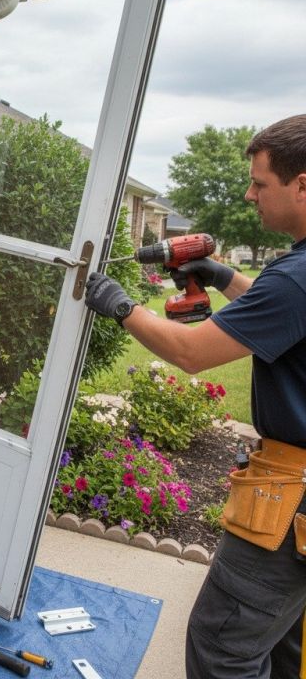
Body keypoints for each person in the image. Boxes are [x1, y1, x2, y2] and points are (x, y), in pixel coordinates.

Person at [84, 113, 306, 679]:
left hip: (292, 498)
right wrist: (223, 276)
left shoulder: (296, 278)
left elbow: (190, 353)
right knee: (286, 647)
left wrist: (120, 306)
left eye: (259, 183)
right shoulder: (296, 278)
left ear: (302, 185)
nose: (250, 195)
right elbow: (285, 311)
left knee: (223, 649)